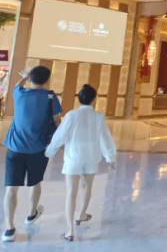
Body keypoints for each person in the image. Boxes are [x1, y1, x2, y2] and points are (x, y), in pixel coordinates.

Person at [45, 84, 116, 242]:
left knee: (71, 192)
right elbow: (105, 137)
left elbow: (60, 135)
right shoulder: (98, 117)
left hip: (73, 157)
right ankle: (82, 214)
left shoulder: (72, 115)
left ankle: (70, 230)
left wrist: (50, 151)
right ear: (94, 100)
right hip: (91, 157)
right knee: (87, 187)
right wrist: (110, 157)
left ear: (79, 99)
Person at [3, 66, 62, 242]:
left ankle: (9, 230)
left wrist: (24, 77)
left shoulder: (19, 93)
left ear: (30, 79)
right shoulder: (50, 96)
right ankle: (31, 214)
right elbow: (57, 121)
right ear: (47, 80)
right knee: (35, 182)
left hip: (15, 148)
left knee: (11, 188)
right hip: (38, 149)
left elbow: (17, 84)